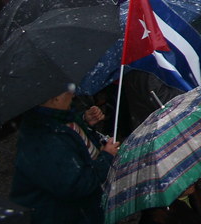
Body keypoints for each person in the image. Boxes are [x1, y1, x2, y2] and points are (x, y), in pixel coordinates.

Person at [11, 89, 120, 223]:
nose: (73, 94)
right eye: (67, 91)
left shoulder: (55, 118)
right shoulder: (46, 141)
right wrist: (106, 158)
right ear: (55, 98)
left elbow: (70, 135)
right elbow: (77, 185)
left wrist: (84, 120)